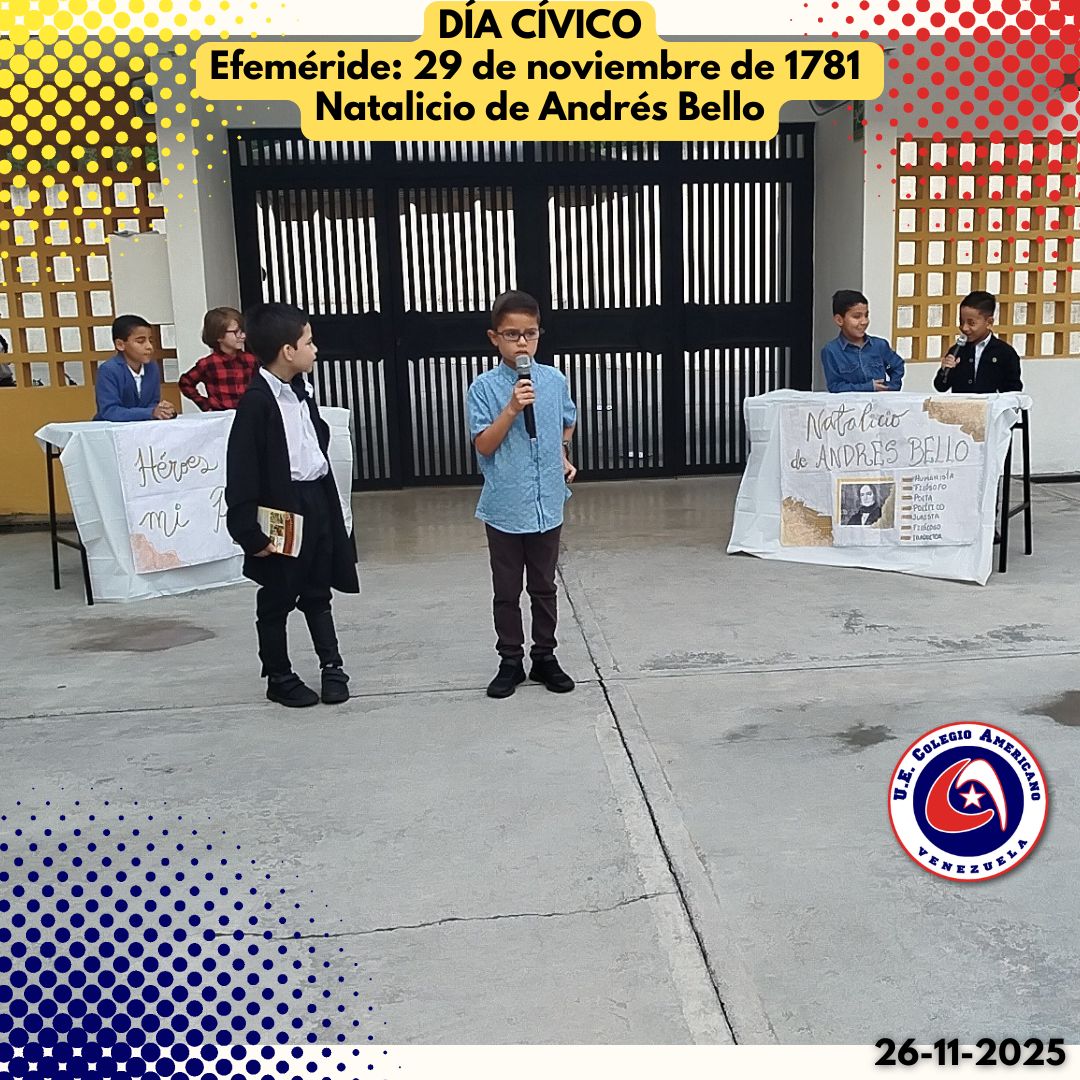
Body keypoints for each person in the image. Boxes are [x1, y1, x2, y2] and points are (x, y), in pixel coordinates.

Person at [225, 302, 358, 709]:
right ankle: (278, 675)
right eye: (308, 342)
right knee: (278, 593)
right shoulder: (257, 402)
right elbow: (242, 468)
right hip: (283, 506)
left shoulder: (302, 391)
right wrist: (248, 531)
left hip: (316, 498)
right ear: (287, 351)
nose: (315, 349)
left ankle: (332, 666)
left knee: (317, 588)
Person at [466, 290, 578, 699]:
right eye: (512, 335)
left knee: (544, 586)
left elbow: (567, 419)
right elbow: (483, 444)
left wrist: (562, 453)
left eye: (530, 334)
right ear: (494, 338)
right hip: (505, 505)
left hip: (548, 501)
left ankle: (545, 654)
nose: (522, 343)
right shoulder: (483, 388)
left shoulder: (554, 380)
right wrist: (512, 408)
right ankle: (510, 658)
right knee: (507, 589)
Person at [934, 290, 1023, 393]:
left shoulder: (1005, 353)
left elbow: (1013, 391)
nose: (964, 328)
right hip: (961, 403)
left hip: (991, 403)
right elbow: (940, 387)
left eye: (971, 323)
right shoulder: (957, 351)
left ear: (989, 322)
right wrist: (945, 370)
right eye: (961, 322)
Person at [92, 314, 176, 422]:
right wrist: (150, 412)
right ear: (120, 345)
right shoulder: (108, 370)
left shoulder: (152, 367)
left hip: (143, 427)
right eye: (140, 341)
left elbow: (153, 402)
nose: (149, 347)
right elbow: (110, 411)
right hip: (111, 428)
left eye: (151, 341)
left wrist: (163, 410)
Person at [821, 289, 905, 393]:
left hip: (879, 401)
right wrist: (869, 387)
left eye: (866, 315)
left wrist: (892, 386)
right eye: (857, 317)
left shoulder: (879, 345)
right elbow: (835, 386)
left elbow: (896, 366)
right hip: (850, 403)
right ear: (839, 320)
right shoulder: (831, 351)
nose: (864, 321)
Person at [179, 306, 259, 411]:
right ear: (219, 336)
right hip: (220, 415)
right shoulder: (208, 363)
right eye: (236, 332)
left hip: (248, 412)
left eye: (243, 331)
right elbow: (185, 382)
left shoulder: (251, 360)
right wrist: (205, 405)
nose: (243, 336)